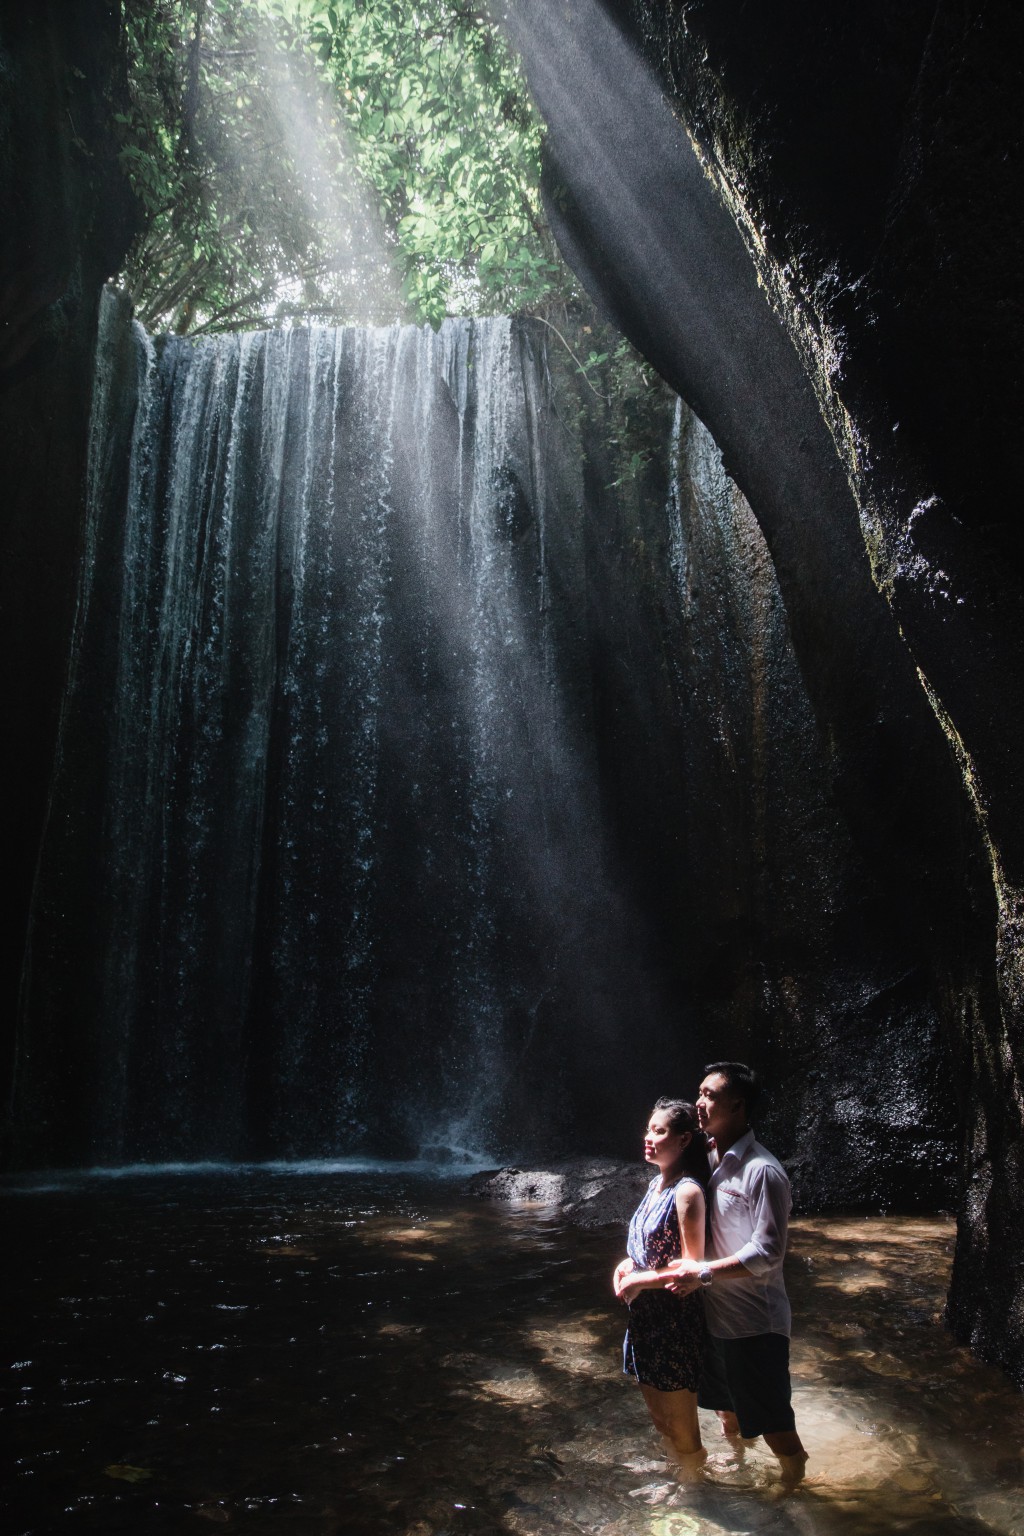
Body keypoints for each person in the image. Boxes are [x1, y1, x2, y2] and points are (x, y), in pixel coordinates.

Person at [668, 1061, 808, 1486]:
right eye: (699, 1092)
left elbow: (768, 1252)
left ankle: (796, 1494)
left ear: (738, 1105)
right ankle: (740, 1464)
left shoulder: (761, 1170)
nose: (700, 1102)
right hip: (715, 1319)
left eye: (710, 1095)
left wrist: (702, 1273)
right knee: (723, 1407)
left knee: (775, 1425)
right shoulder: (707, 1158)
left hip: (754, 1325)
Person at [613, 1098, 711, 1477]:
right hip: (643, 1319)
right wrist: (626, 1265)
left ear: (684, 1140)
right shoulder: (656, 1183)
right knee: (658, 1417)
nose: (648, 1137)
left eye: (659, 1131)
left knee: (681, 1425)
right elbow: (644, 1247)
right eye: (648, 1129)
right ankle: (678, 1474)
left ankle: (694, 1492)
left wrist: (640, 1279)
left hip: (674, 1322)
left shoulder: (687, 1192)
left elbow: (691, 1267)